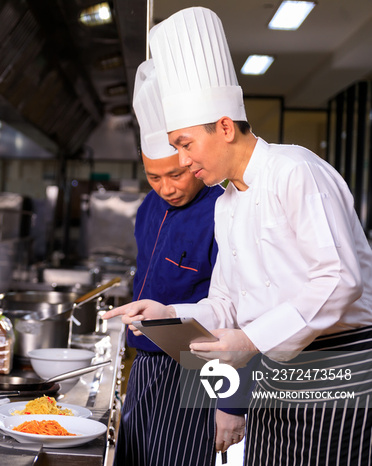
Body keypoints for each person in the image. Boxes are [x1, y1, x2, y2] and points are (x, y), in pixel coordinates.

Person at [104, 7, 372, 465]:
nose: (183, 163)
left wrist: (250, 341)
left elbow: (339, 281)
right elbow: (227, 301)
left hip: (334, 366)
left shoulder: (296, 170)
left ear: (224, 127)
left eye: (186, 144)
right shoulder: (228, 204)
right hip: (272, 369)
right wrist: (169, 313)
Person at [114, 58, 246, 466]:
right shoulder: (147, 209)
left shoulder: (224, 210)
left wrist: (233, 402)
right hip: (146, 364)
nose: (166, 188)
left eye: (174, 173)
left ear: (188, 158)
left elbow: (238, 314)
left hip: (197, 372)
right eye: (153, 177)